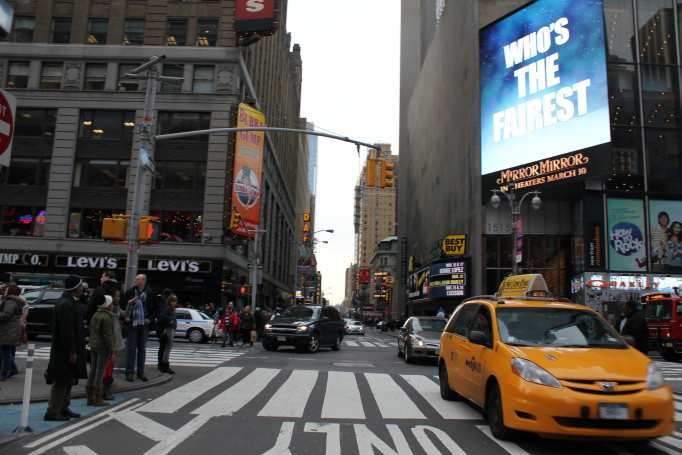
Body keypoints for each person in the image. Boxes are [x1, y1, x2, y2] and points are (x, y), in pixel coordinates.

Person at [45, 275, 88, 421]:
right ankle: (53, 411)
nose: (83, 288)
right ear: (75, 288)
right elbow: (66, 331)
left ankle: (63, 407)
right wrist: (72, 351)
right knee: (62, 380)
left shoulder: (71, 302)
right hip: (64, 350)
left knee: (69, 378)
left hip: (70, 347)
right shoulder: (65, 304)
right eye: (81, 286)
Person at [123, 274, 156, 382]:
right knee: (131, 349)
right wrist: (127, 317)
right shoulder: (130, 291)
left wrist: (150, 319)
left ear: (144, 281)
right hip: (133, 322)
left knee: (142, 349)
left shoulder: (150, 292)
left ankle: (140, 373)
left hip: (144, 323)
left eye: (138, 279)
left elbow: (154, 308)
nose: (135, 281)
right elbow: (124, 305)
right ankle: (129, 373)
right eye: (136, 279)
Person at [87, 295, 114, 406]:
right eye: (111, 304)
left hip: (93, 345)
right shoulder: (107, 317)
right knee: (100, 371)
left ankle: (90, 397)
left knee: (93, 369)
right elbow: (108, 335)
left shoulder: (95, 314)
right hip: (103, 347)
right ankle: (97, 398)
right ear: (108, 305)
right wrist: (111, 349)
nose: (112, 306)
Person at [0, 283, 26, 381]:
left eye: (6, 289)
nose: (4, 290)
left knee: (5, 352)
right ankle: (13, 369)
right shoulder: (13, 300)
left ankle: (4, 373)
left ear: (10, 291)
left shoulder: (10, 301)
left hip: (8, 329)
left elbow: (6, 315)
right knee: (6, 351)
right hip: (11, 329)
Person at [157, 293, 178, 374]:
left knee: (167, 348)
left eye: (175, 301)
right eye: (173, 301)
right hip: (168, 329)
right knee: (167, 348)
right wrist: (171, 321)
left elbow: (173, 319)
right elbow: (162, 317)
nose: (175, 303)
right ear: (170, 301)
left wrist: (174, 324)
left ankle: (164, 365)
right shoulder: (167, 309)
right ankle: (165, 365)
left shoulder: (172, 310)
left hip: (171, 329)